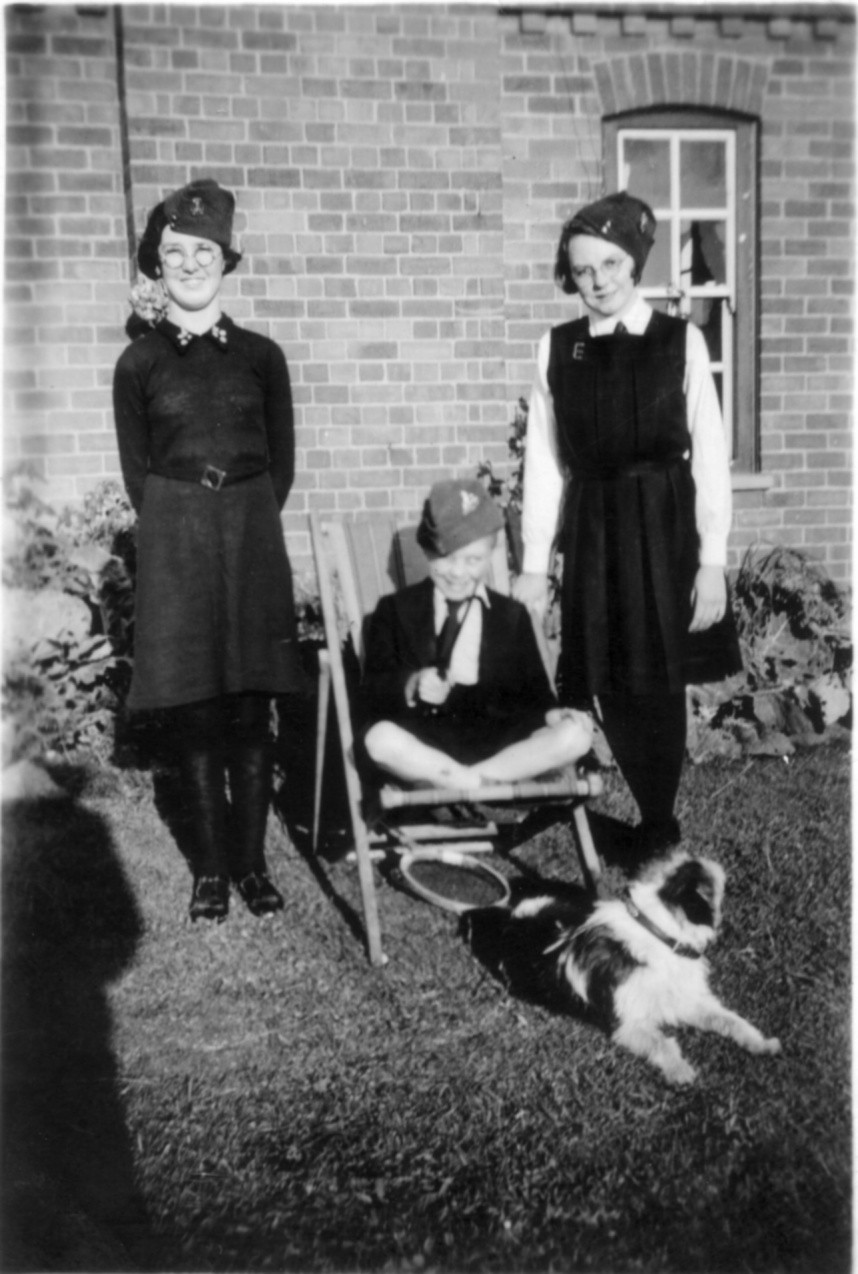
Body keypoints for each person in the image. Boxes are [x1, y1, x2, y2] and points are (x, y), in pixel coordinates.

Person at [514, 190, 742, 858]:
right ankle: (646, 809)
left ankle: (659, 820)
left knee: (658, 676)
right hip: (593, 526)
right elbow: (544, 464)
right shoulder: (557, 348)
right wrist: (534, 565)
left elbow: (710, 454)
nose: (598, 281)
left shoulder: (680, 341)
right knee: (607, 672)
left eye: (610, 264)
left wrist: (712, 559)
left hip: (662, 524)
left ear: (635, 262)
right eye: (583, 270)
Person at [113, 178, 305, 922]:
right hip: (178, 537)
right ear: (157, 265)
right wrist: (185, 519)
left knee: (250, 705)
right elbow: (139, 475)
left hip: (251, 531)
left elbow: (282, 465)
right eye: (175, 253)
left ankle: (253, 864)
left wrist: (240, 515)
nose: (190, 265)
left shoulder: (261, 356)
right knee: (196, 707)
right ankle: (212, 871)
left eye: (204, 251)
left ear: (227, 259)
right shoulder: (140, 363)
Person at [359, 478, 592, 790]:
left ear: (490, 555)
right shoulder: (396, 611)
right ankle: (479, 784)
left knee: (576, 736)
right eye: (447, 559)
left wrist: (553, 715)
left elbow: (537, 696)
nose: (458, 572)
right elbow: (372, 688)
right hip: (426, 745)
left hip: (501, 747)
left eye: (473, 560)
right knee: (379, 739)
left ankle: (465, 782)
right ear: (427, 552)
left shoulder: (511, 616)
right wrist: (411, 683)